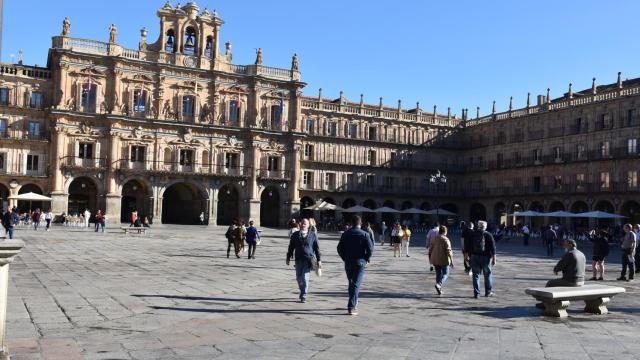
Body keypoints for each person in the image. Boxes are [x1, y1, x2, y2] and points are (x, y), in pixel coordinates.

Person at [337, 215, 373, 315]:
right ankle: (352, 306)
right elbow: (370, 249)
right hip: (360, 262)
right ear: (360, 224)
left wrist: (344, 258)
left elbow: (339, 248)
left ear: (352, 223)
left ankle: (353, 302)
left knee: (352, 283)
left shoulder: (345, 234)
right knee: (355, 284)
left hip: (348, 262)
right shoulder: (365, 234)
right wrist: (366, 258)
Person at [286, 218, 321, 303]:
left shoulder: (313, 235)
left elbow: (317, 248)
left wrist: (319, 260)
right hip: (298, 259)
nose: (303, 224)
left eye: (305, 223)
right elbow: (291, 247)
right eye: (302, 223)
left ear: (309, 225)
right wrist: (288, 257)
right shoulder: (295, 234)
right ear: (300, 224)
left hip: (308, 259)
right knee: (298, 278)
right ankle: (302, 291)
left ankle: (303, 295)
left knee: (305, 278)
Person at [465, 220, 496, 298]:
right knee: (487, 275)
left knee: (476, 275)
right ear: (485, 227)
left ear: (478, 226)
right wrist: (494, 259)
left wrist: (466, 255)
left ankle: (476, 293)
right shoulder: (488, 235)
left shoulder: (472, 234)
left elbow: (467, 245)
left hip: (474, 256)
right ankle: (488, 292)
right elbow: (493, 248)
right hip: (486, 257)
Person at [429, 225, 454, 295]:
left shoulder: (435, 238)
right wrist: (451, 261)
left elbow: (430, 249)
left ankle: (439, 288)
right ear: (445, 231)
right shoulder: (446, 239)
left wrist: (430, 258)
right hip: (444, 259)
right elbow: (449, 251)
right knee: (446, 274)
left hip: (435, 259)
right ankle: (439, 284)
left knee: (438, 274)